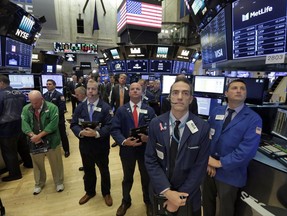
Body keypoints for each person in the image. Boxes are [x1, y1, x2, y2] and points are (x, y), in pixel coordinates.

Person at [145, 78, 210, 216]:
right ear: (169, 97)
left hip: (189, 196)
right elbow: (150, 160)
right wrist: (167, 192)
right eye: (175, 92)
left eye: (185, 93)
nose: (180, 97)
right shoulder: (156, 123)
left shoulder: (202, 127)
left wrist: (178, 199)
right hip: (160, 192)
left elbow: (200, 167)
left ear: (191, 99)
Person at [202, 79, 262, 216]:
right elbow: (206, 138)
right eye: (234, 88)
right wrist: (208, 160)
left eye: (242, 88)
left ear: (246, 94)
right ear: (226, 93)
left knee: (225, 210)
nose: (239, 90)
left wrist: (218, 163)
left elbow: (247, 151)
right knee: (207, 205)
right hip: (208, 170)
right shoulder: (216, 111)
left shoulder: (253, 119)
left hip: (230, 174)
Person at [110, 82, 156, 216]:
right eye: (133, 89)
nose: (135, 91)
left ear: (142, 92)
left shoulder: (149, 110)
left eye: (138, 89)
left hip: (145, 149)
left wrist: (149, 138)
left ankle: (148, 202)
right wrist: (124, 141)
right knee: (127, 177)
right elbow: (115, 129)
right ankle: (126, 201)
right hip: (127, 150)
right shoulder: (121, 110)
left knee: (146, 177)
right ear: (128, 92)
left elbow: (155, 130)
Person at [70, 79, 113, 207]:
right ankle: (90, 192)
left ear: (98, 90)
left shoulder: (106, 107)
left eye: (93, 89)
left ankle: (106, 193)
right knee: (88, 170)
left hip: (101, 145)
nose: (90, 91)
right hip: (85, 145)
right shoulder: (80, 107)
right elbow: (73, 124)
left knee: (104, 170)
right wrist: (81, 132)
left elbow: (110, 125)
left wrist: (97, 133)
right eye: (88, 88)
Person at [21, 90, 64, 195]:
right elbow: (24, 124)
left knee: (56, 162)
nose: (33, 104)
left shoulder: (52, 108)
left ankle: (58, 182)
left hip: (52, 140)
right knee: (37, 164)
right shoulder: (26, 109)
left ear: (42, 99)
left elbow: (53, 125)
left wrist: (39, 136)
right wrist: (33, 136)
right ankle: (39, 183)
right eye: (31, 102)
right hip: (34, 141)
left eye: (36, 102)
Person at [0, 75, 31, 181]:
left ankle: (15, 174)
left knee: (9, 152)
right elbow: (26, 108)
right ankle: (29, 163)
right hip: (21, 124)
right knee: (23, 147)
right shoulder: (20, 93)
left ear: (1, 83)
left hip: (6, 127)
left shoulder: (1, 95)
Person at [43, 79, 70, 158]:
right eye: (47, 84)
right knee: (50, 136)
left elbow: (62, 109)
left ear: (54, 85)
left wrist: (53, 116)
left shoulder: (59, 95)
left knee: (62, 135)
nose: (48, 85)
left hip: (59, 119)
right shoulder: (44, 95)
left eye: (50, 84)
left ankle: (66, 150)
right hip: (48, 120)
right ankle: (51, 151)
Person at [74, 86, 87, 172]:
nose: (76, 96)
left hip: (90, 134)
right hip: (82, 134)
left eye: (77, 94)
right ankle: (86, 166)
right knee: (84, 153)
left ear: (82, 94)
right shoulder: (80, 105)